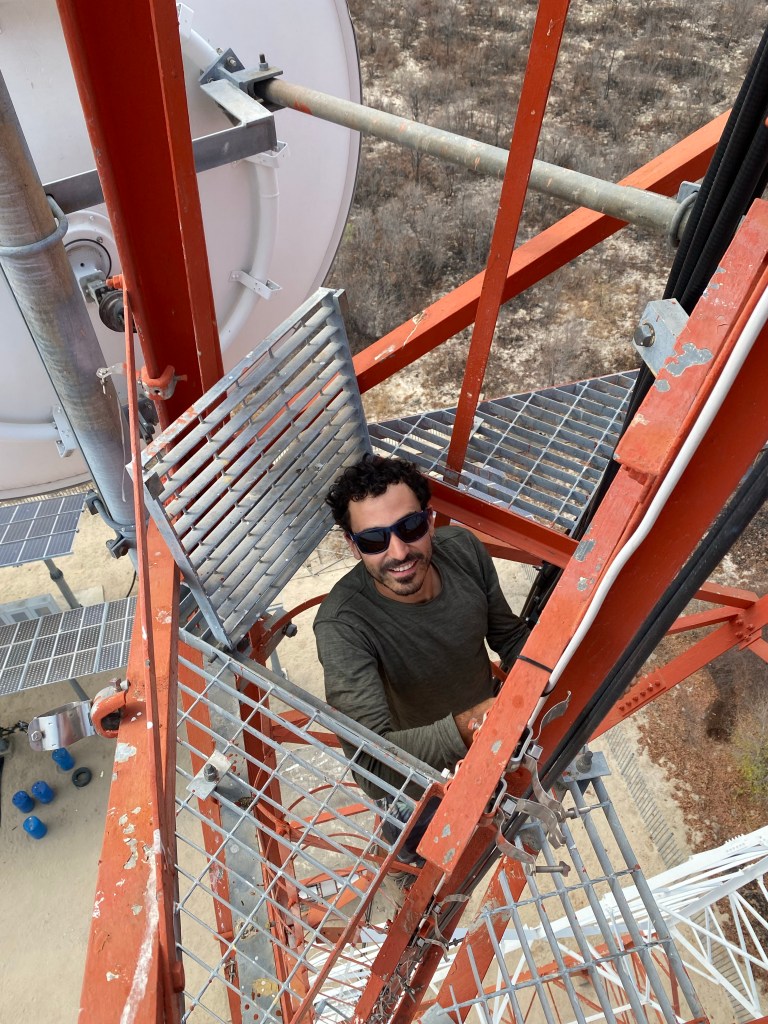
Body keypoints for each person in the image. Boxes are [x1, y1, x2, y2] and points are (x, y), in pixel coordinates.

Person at [314, 453, 529, 815]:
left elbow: (508, 636)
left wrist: (544, 678)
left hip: (494, 733)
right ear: (353, 546)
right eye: (373, 541)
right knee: (421, 841)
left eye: (410, 527)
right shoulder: (343, 625)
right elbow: (373, 766)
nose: (398, 552)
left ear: (429, 521)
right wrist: (473, 724)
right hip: (423, 781)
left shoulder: (463, 549)